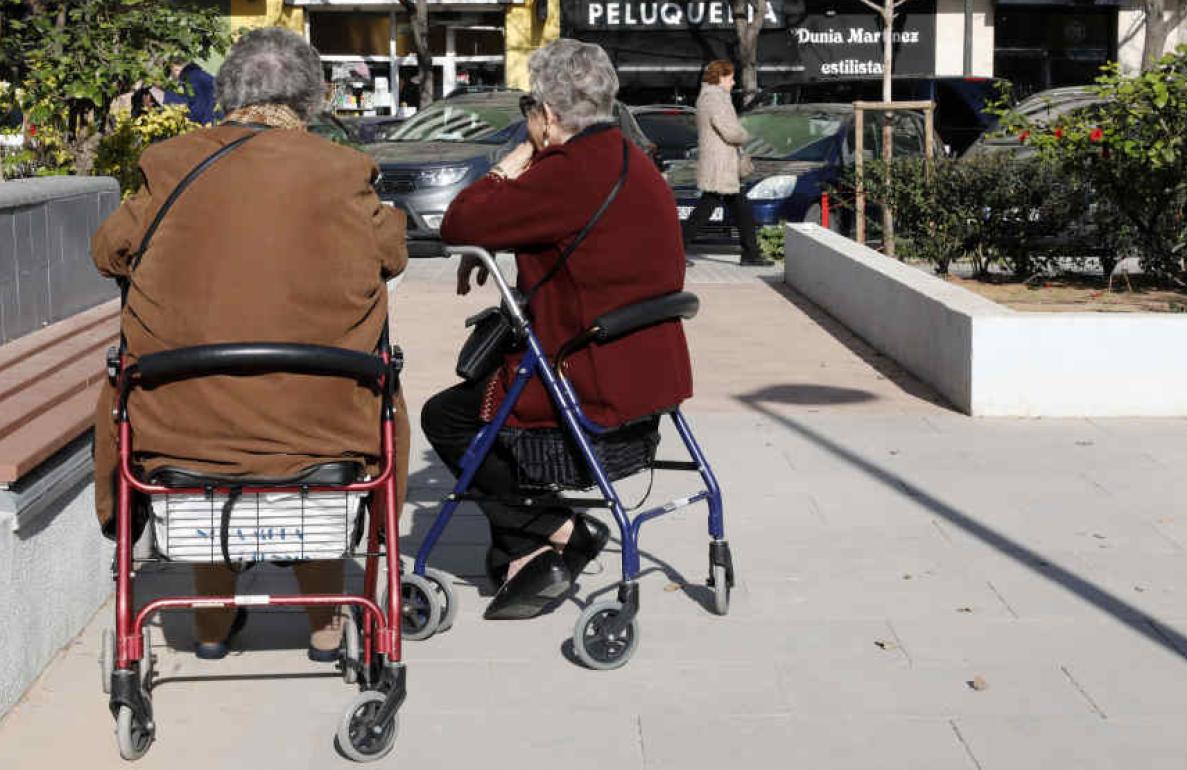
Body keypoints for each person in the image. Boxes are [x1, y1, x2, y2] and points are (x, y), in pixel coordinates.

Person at [91, 27, 410, 661]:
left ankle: (211, 625)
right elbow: (393, 254)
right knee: (338, 420)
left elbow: (107, 252)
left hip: (181, 425)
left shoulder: (170, 162)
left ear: (228, 92)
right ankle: (325, 626)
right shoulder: (344, 170)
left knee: (201, 426)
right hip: (324, 424)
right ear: (310, 99)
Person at [427, 39, 692, 620]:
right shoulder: (631, 157)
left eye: (530, 108)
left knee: (444, 417)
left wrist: (515, 156)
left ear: (546, 113)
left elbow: (459, 220)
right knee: (474, 406)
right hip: (644, 371)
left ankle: (557, 530)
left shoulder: (566, 172)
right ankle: (520, 554)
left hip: (583, 379)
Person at [682, 59, 767, 267]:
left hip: (720, 161)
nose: (733, 82)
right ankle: (675, 250)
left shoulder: (708, 97)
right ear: (720, 78)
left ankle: (751, 253)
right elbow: (730, 131)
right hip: (721, 163)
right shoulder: (716, 98)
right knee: (706, 208)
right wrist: (744, 134)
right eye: (730, 78)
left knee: (740, 208)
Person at [163, 60, 218, 125]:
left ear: (175, 68)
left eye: (169, 73)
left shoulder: (190, 79)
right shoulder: (198, 74)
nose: (171, 78)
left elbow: (196, 110)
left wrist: (169, 97)